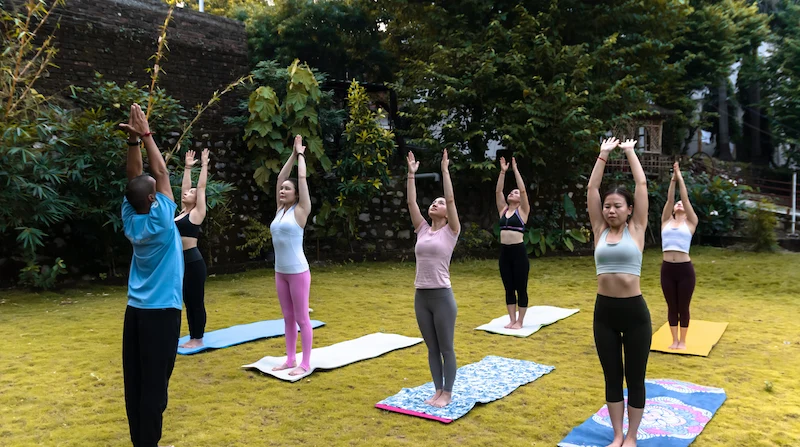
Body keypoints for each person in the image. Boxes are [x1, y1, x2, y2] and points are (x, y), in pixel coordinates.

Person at [119, 103, 182, 447]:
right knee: (155, 388)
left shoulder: (132, 219)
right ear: (154, 197)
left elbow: (137, 180)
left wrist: (132, 144)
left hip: (136, 313)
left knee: (137, 383)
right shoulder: (160, 221)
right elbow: (159, 171)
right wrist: (145, 135)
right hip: (161, 314)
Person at [587, 137, 652, 447]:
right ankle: (616, 435)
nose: (610, 210)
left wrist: (629, 152)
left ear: (629, 211)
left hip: (635, 314)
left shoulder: (636, 229)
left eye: (617, 206)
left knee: (635, 378)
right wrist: (602, 155)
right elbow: (591, 191)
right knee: (612, 377)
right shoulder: (599, 230)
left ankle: (632, 436)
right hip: (605, 314)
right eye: (607, 206)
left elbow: (641, 184)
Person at [406, 149, 461, 408]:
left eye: (439, 204)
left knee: (446, 348)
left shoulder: (451, 231)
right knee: (431, 348)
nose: (435, 205)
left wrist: (445, 170)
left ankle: (447, 393)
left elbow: (450, 198)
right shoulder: (422, 229)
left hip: (442, 296)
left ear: (447, 213)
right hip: (421, 295)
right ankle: (437, 390)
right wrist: (411, 175)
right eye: (434, 203)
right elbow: (411, 204)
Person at [269, 135, 313, 376]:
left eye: (288, 188)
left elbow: (302, 178)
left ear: (296, 194)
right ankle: (289, 359)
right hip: (280, 272)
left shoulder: (301, 211)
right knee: (287, 318)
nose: (283, 190)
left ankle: (304, 363)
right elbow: (279, 177)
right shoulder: (280, 210)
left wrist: (301, 155)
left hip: (297, 272)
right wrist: (292, 154)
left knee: (301, 318)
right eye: (282, 189)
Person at [660, 161, 698, 350]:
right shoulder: (666, 221)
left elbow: (686, 198)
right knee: (671, 306)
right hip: (667, 269)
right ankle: (673, 340)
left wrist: (680, 177)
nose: (679, 203)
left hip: (684, 269)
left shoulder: (690, 223)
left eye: (681, 203)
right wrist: (672, 181)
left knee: (683, 306)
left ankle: (683, 341)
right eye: (677, 203)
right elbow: (669, 199)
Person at [176, 148, 210, 349]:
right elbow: (185, 187)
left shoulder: (197, 213)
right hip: (178, 261)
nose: (187, 193)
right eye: (187, 193)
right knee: (185, 300)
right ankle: (191, 335)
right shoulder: (181, 212)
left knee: (195, 300)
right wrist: (187, 168)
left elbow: (201, 187)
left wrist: (204, 165)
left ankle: (197, 338)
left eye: (191, 193)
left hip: (193, 260)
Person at [495, 156, 531, 329]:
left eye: (515, 193)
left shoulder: (523, 211)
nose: (513, 193)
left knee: (520, 287)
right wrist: (503, 172)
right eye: (511, 192)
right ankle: (511, 319)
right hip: (504, 253)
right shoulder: (503, 210)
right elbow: (498, 192)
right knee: (508, 287)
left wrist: (515, 170)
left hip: (518, 253)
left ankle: (520, 321)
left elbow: (523, 192)